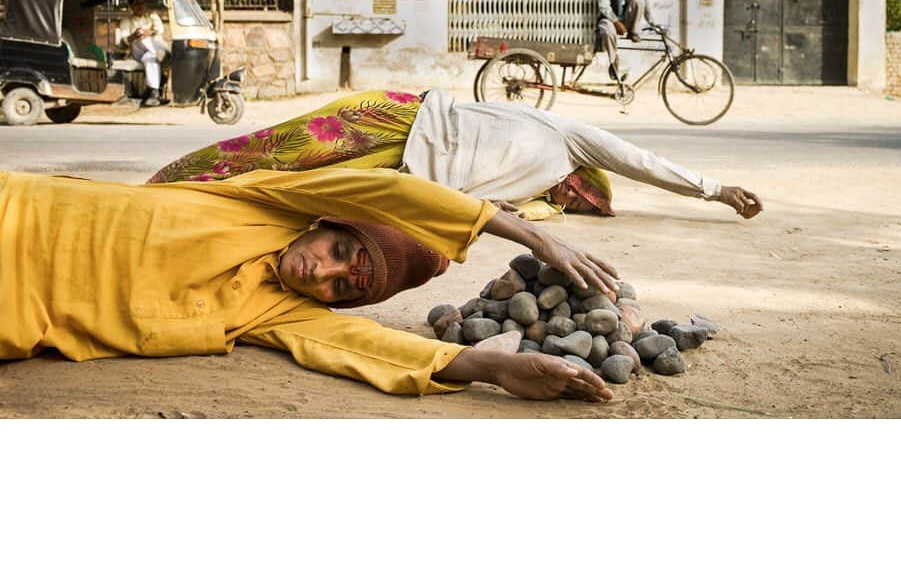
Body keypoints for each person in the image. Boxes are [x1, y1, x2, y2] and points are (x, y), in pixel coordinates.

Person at [0, 166, 616, 401]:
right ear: (327, 221)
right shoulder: (267, 201)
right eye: (340, 250)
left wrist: (488, 367)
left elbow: (365, 348)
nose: (321, 273)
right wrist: (527, 234)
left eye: (344, 287)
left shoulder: (277, 315)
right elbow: (387, 190)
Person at [148, 89, 763, 221]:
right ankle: (165, 184)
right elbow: (641, 158)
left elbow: (519, 216)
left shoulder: (533, 199)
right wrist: (714, 188)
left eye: (578, 205)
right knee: (267, 151)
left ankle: (190, 206)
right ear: (586, 179)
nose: (572, 200)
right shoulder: (572, 137)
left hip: (406, 169)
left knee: (283, 191)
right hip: (401, 114)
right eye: (584, 194)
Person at [597, 0, 654, 82]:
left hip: (628, 22)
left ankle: (633, 31)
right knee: (606, 29)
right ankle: (613, 62)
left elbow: (647, 8)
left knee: (639, 1)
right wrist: (616, 22)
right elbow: (603, 4)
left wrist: (654, 25)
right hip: (610, 19)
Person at [115, 0, 170, 107]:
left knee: (150, 58)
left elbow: (160, 29)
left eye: (142, 3)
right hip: (137, 50)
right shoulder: (127, 21)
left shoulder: (152, 17)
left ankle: (153, 93)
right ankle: (162, 55)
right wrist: (135, 35)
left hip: (152, 49)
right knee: (142, 39)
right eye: (136, 4)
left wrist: (148, 32)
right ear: (131, 7)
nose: (140, 6)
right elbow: (124, 41)